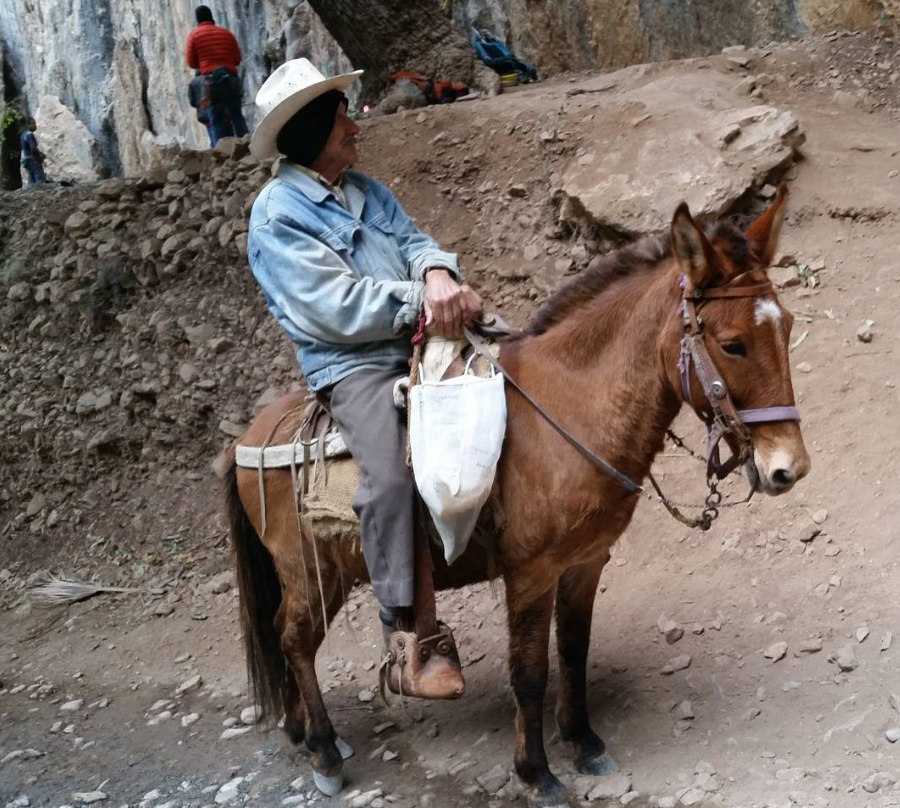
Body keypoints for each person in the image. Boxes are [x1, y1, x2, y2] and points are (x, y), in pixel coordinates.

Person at [247, 59, 483, 697]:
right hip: (356, 366)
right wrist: (421, 301)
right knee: (389, 474)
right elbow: (331, 306)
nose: (354, 123)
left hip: (423, 333)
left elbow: (412, 239)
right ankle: (408, 634)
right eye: (341, 114)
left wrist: (437, 272)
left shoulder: (365, 189)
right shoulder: (276, 217)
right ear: (311, 129)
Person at [185, 5, 249, 146]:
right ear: (211, 17)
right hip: (231, 80)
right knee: (237, 116)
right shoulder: (226, 33)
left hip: (211, 84)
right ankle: (249, 146)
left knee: (215, 119)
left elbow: (191, 62)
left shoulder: (194, 36)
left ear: (198, 20)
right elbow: (237, 59)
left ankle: (220, 154)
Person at [20, 118, 46, 186]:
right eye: (33, 124)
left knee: (31, 181)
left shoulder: (23, 134)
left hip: (27, 160)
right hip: (33, 160)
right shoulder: (29, 134)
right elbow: (33, 148)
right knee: (40, 181)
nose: (35, 125)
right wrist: (40, 155)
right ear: (28, 125)